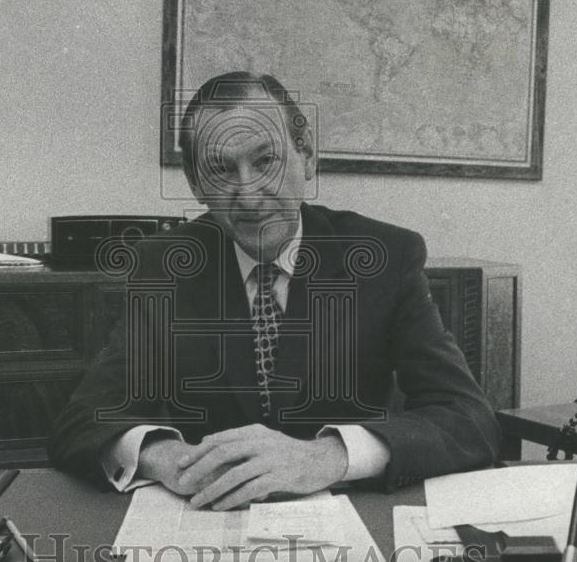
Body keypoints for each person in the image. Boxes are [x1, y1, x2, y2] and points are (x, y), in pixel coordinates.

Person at [48, 72, 500, 509]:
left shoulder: (385, 256)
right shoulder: (165, 266)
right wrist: (171, 459)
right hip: (210, 515)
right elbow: (83, 421)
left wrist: (328, 457)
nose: (248, 196)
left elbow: (468, 417)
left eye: (266, 161)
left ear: (307, 157)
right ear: (196, 184)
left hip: (349, 516)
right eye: (221, 170)